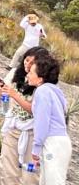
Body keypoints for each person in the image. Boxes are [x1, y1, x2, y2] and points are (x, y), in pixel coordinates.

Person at [0, 47, 51, 185]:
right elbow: (4, 98)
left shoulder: (43, 85)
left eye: (32, 63)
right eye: (26, 60)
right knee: (7, 171)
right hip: (12, 128)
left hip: (32, 134)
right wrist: (3, 92)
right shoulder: (15, 73)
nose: (27, 65)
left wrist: (14, 94)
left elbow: (34, 110)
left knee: (30, 176)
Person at [27, 55, 71, 185]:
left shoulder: (42, 92)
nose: (28, 74)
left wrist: (35, 149)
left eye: (31, 72)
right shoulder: (55, 91)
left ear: (40, 78)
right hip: (60, 142)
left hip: (53, 143)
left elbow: (42, 122)